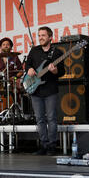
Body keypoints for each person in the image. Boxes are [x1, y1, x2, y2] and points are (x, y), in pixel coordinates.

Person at [25, 27, 65, 155]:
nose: (41, 37)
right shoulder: (34, 50)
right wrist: (29, 70)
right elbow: (27, 65)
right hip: (36, 90)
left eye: (43, 35)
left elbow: (62, 71)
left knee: (52, 118)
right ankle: (44, 145)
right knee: (40, 119)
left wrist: (55, 71)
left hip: (50, 90)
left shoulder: (57, 52)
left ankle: (52, 146)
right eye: (39, 35)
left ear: (50, 37)